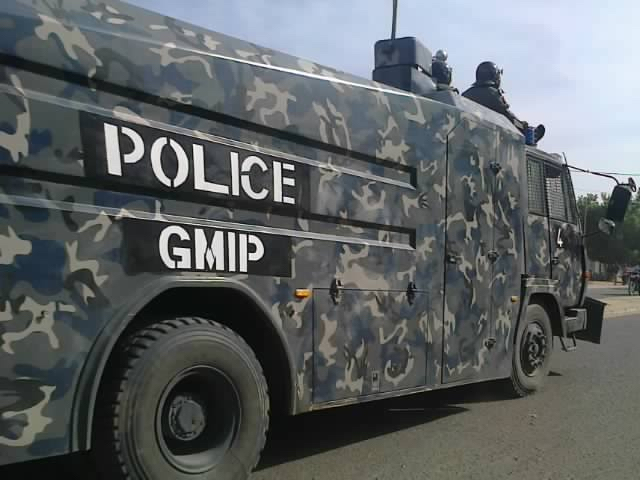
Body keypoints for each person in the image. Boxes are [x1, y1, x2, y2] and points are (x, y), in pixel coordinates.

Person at [462, 61, 545, 144]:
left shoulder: (465, 95)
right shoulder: (493, 94)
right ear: (494, 76)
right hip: (489, 138)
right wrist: (524, 127)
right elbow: (507, 117)